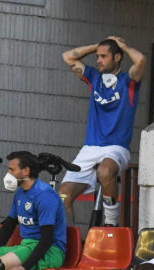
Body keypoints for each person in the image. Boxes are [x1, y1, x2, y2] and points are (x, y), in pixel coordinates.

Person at [59, 36, 146, 226]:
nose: (98, 60)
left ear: (117, 58)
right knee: (62, 196)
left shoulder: (127, 81)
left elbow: (140, 60)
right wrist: (96, 46)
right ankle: (65, 242)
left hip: (116, 148)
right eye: (98, 56)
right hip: (90, 148)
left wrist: (123, 45)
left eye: (103, 56)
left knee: (105, 171)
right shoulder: (94, 77)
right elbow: (67, 57)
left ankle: (111, 223)